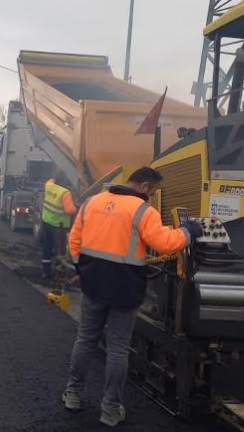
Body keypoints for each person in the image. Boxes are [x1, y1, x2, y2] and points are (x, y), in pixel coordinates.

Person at [61, 167, 203, 427]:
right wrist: (190, 231)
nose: (152, 195)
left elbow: (75, 239)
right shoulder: (142, 211)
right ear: (146, 186)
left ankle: (73, 394)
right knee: (117, 348)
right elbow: (166, 244)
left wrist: (83, 268)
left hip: (93, 285)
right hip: (125, 290)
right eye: (154, 191)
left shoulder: (92, 203)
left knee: (85, 340)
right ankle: (110, 411)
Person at [41, 174, 77, 279]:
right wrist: (76, 207)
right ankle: (58, 274)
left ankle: (45, 272)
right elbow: (69, 210)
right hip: (59, 226)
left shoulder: (49, 186)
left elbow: (49, 181)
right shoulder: (65, 193)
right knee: (60, 250)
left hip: (46, 221)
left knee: (47, 247)